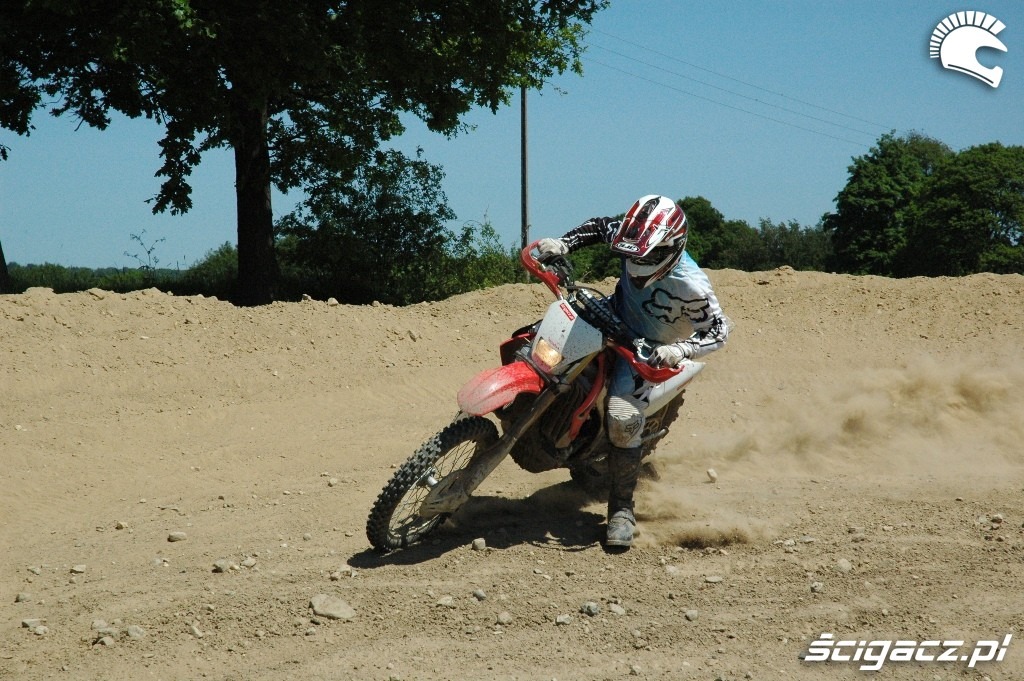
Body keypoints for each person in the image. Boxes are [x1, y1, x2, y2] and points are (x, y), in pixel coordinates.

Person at [536, 195, 730, 548]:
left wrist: (679, 349)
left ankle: (621, 509)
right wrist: (563, 243)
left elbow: (718, 331)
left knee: (622, 417)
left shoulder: (693, 286)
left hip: (647, 349)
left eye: (648, 256)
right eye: (634, 254)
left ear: (671, 247)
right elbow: (599, 227)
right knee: (539, 338)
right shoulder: (634, 238)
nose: (638, 262)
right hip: (609, 314)